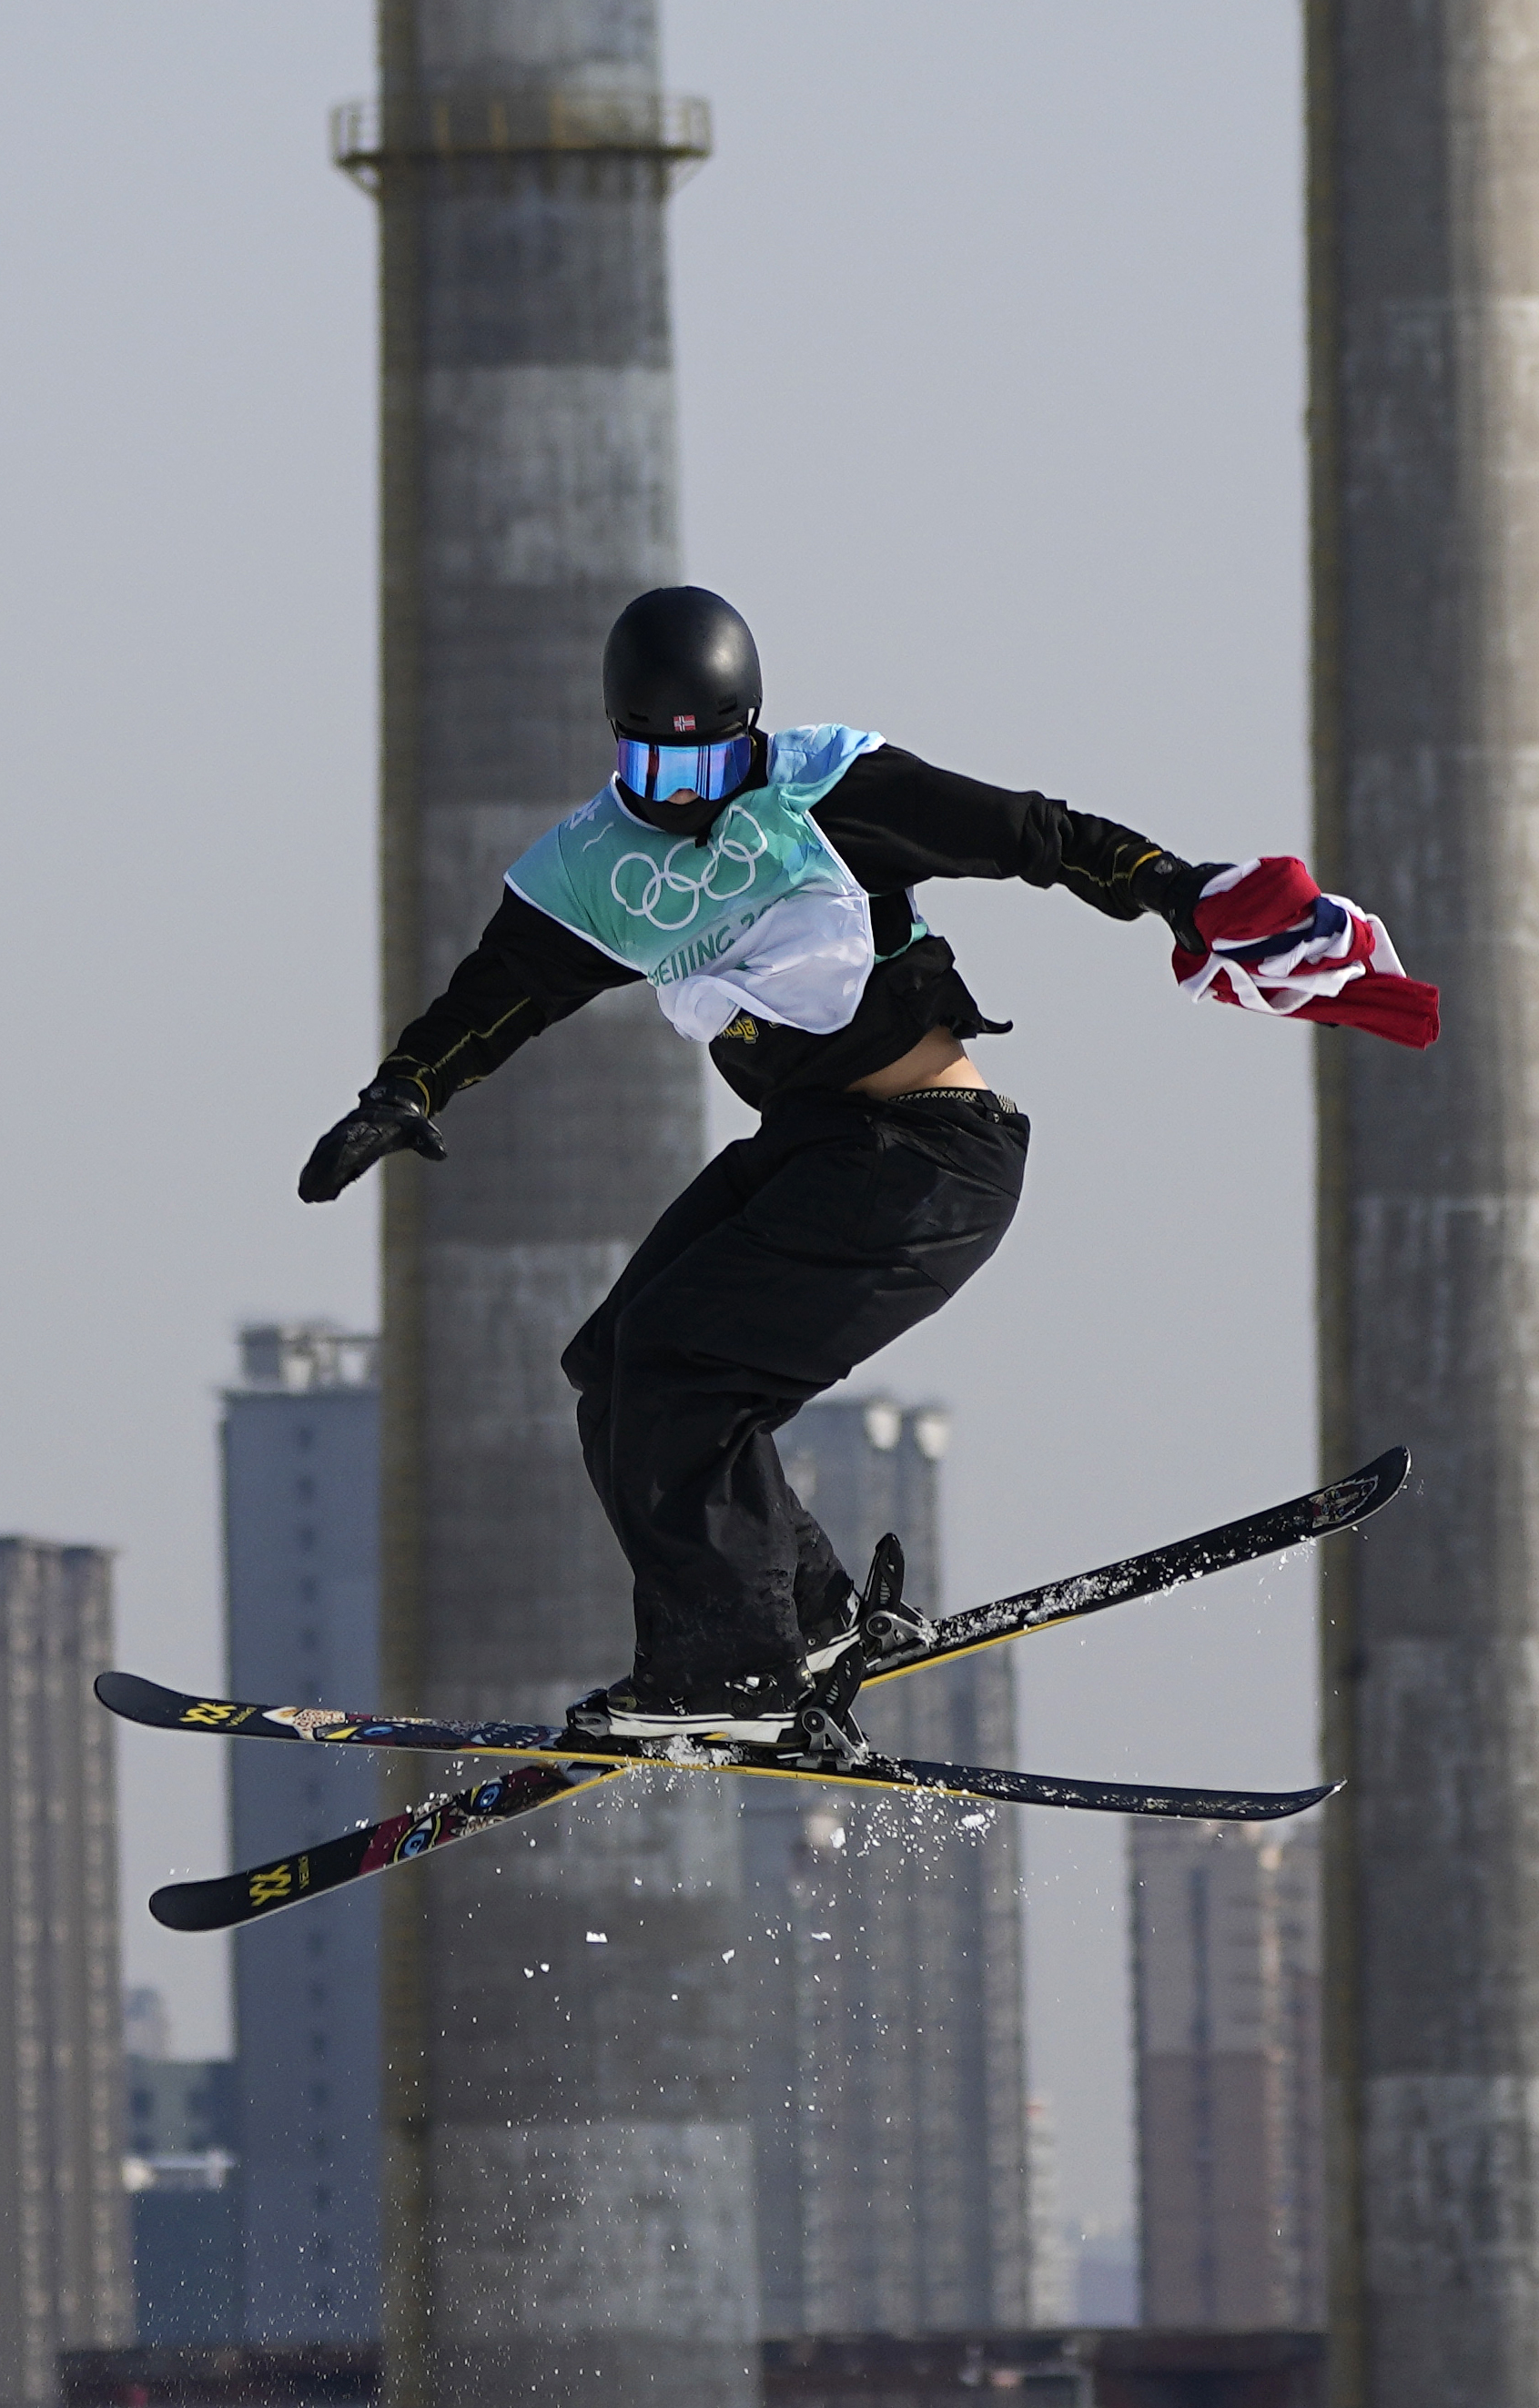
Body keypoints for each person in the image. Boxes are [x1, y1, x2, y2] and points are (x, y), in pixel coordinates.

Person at [295, 586, 1435, 1753]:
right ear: (617, 741)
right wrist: (404, 1089)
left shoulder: (826, 790)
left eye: (708, 769)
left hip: (929, 1158)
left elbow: (1036, 833)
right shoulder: (595, 866)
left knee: (685, 1368)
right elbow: (495, 995)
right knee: (616, 1368)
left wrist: (1175, 887)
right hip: (818, 1149)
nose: (683, 800)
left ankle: (733, 1669)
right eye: (655, 770)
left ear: (749, 734)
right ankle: (810, 1619)